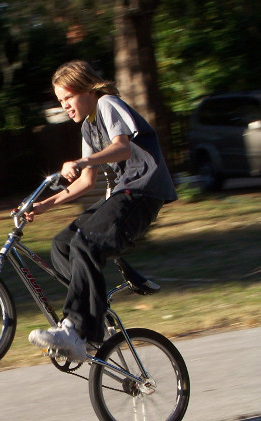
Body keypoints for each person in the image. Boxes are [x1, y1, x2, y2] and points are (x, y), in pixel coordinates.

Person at [27, 60, 177, 362]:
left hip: (142, 191)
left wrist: (83, 161)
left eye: (67, 98)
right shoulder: (87, 127)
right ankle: (91, 314)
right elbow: (85, 183)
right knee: (62, 244)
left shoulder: (107, 103)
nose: (65, 106)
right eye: (60, 102)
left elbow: (121, 148)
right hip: (123, 193)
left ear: (86, 89)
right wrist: (43, 205)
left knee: (86, 243)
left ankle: (79, 328)